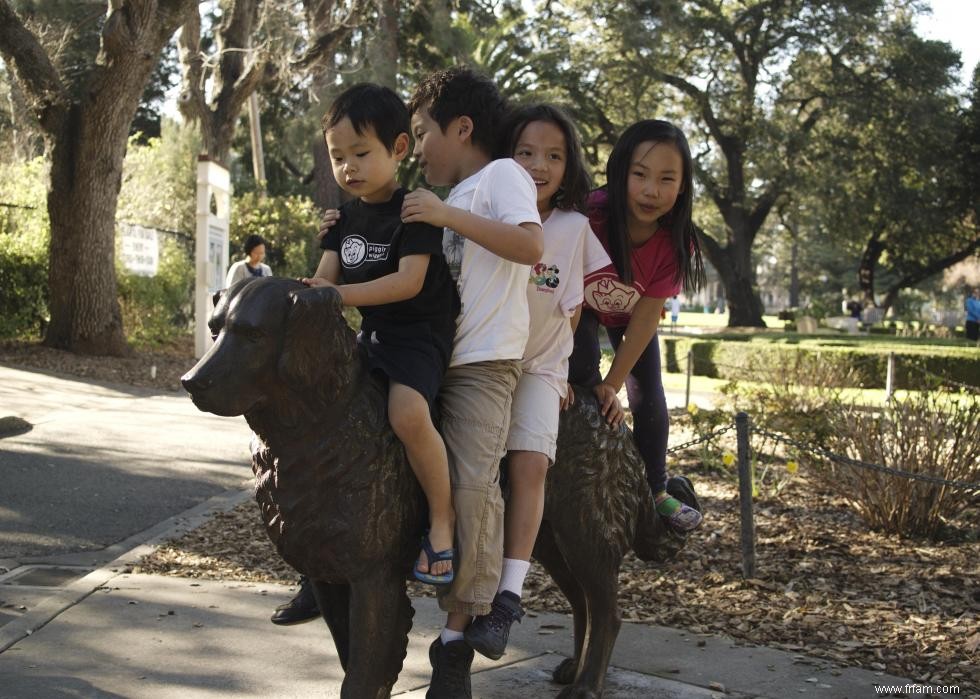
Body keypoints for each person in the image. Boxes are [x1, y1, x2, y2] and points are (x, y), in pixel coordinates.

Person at [402, 67, 543, 698]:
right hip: (435, 358)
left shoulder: (501, 176)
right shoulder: (450, 198)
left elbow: (529, 247)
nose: (418, 147)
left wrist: (443, 217)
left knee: (470, 484)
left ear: (462, 128)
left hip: (484, 362)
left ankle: (458, 639)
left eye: (422, 132)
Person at [461, 104, 611, 662]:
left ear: (569, 165)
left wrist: (565, 372)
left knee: (528, 465)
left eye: (553, 155)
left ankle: (507, 598)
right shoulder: (484, 210)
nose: (538, 166)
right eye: (525, 153)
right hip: (481, 362)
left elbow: (574, 307)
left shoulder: (574, 229)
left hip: (538, 371)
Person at [303, 83, 461, 588]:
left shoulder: (415, 210)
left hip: (418, 336)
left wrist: (337, 298)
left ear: (398, 149)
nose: (348, 166)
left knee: (407, 413)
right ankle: (323, 557)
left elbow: (408, 282)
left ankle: (442, 522)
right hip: (372, 337)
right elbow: (325, 281)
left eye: (361, 153)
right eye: (337, 156)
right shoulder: (342, 219)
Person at [569, 119, 705, 535]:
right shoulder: (588, 214)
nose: (651, 190)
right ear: (620, 172)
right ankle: (580, 471)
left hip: (632, 314)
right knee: (582, 375)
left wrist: (615, 380)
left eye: (667, 179)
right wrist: (589, 376)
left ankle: (656, 488)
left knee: (649, 394)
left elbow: (646, 318)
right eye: (640, 175)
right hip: (580, 308)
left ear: (682, 186)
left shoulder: (676, 243)